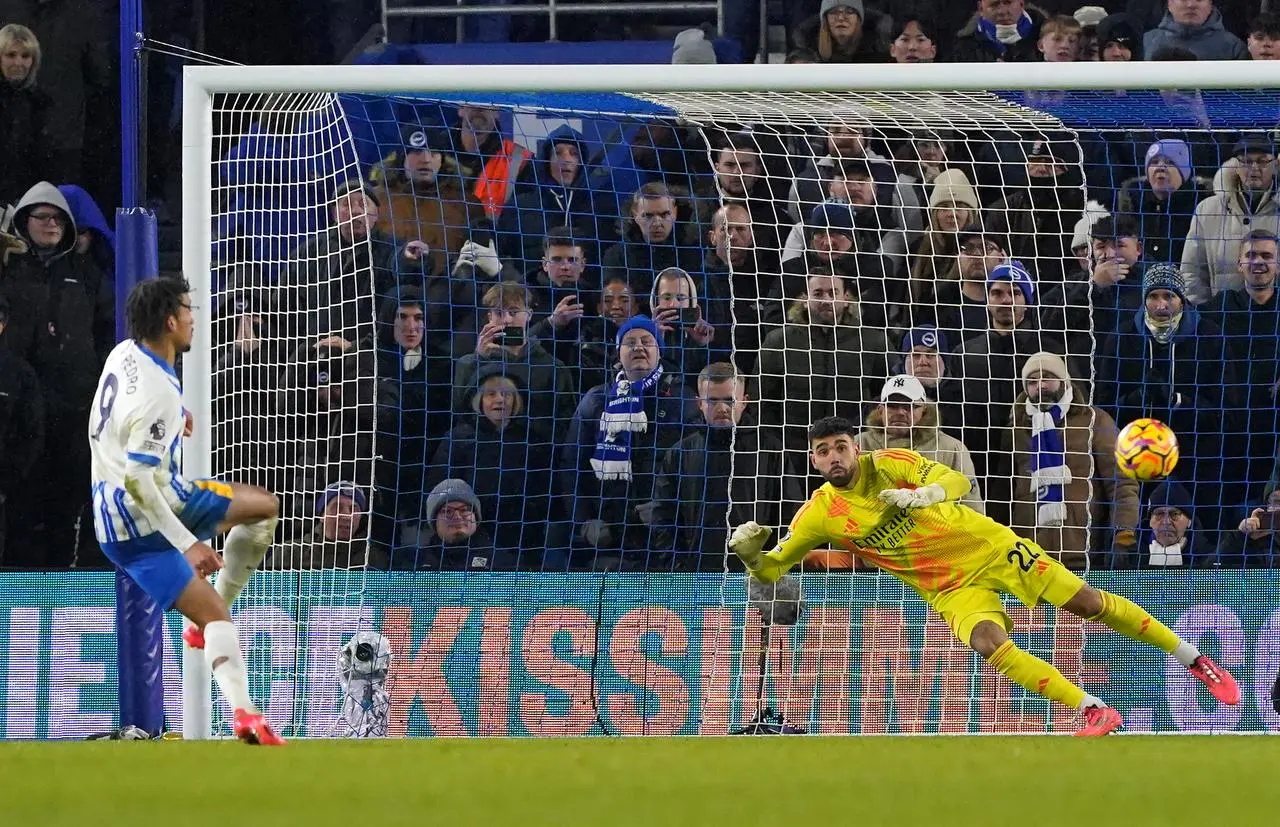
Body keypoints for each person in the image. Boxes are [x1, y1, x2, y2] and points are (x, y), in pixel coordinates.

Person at [727, 415, 1240, 736]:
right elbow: (774, 568)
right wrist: (752, 555)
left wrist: (922, 494)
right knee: (990, 644)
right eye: (824, 451)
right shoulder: (818, 513)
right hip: (948, 587)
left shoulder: (892, 463)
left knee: (1086, 604)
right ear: (813, 460)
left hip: (988, 547)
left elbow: (954, 477)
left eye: (841, 445)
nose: (834, 456)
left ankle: (1194, 660)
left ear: (854, 448)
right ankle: (1093, 710)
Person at [88, 277, 283, 745]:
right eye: (189, 310)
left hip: (111, 526)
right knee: (262, 518)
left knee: (257, 520)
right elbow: (139, 478)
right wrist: (189, 542)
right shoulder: (157, 392)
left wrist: (175, 421)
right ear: (171, 321)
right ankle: (241, 707)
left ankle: (243, 713)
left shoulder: (124, 354)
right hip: (155, 511)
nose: (197, 318)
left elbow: (110, 419)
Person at [1142, 0, 1247, 61]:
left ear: (1210, 4)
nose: (1191, 5)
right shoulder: (1145, 42)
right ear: (1170, 3)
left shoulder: (1234, 47)